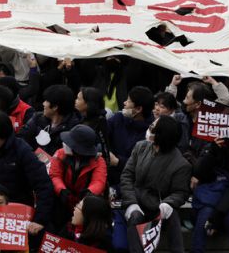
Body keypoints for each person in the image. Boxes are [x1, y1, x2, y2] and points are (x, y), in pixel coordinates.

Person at [121, 115, 190, 253]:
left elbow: (180, 192)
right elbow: (126, 176)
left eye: (153, 127)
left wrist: (168, 203)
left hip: (159, 207)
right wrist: (131, 203)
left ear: (161, 135)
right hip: (136, 202)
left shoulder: (181, 164)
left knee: (173, 216)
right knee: (135, 217)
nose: (149, 128)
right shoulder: (140, 147)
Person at [49, 125, 107, 227]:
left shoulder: (99, 160)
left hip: (84, 205)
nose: (65, 144)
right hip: (63, 201)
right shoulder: (60, 153)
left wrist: (89, 192)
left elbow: (99, 181)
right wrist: (61, 189)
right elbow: (54, 175)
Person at [107, 86, 155, 186]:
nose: (124, 103)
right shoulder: (118, 118)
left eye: (128, 101)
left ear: (138, 109)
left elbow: (143, 165)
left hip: (130, 184)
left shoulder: (152, 132)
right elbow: (102, 137)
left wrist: (118, 162)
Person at [19, 84, 80, 156]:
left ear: (55, 107)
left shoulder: (73, 128)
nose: (43, 103)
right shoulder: (38, 118)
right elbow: (22, 138)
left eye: (46, 101)